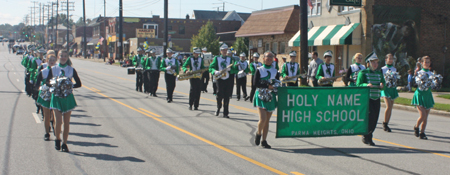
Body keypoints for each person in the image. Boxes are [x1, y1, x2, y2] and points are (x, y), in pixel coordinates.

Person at [50, 50, 82, 152]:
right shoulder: (53, 69)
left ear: (68, 57)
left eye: (65, 56)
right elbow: (47, 81)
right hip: (56, 97)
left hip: (67, 97)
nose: (63, 57)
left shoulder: (71, 70)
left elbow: (79, 83)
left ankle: (64, 143)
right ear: (58, 57)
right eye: (61, 55)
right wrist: (55, 85)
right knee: (58, 121)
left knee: (66, 122)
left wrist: (68, 86)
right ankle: (57, 139)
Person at [356, 52, 385, 146]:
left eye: (376, 62)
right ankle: (366, 136)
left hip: (376, 98)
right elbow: (358, 84)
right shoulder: (363, 73)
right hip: (367, 99)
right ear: (368, 63)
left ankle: (369, 135)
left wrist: (382, 85)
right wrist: (366, 85)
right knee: (370, 117)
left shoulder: (379, 73)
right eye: (373, 62)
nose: (375, 64)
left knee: (375, 118)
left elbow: (384, 85)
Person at [253, 51, 279, 149]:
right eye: (267, 57)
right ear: (263, 58)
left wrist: (276, 88)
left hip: (270, 96)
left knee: (267, 121)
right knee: (263, 119)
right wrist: (267, 85)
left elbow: (277, 84)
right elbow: (256, 83)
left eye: (271, 57)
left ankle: (264, 140)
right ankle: (258, 133)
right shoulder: (259, 70)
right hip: (260, 95)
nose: (269, 59)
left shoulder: (275, 71)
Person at [209, 43, 238, 118]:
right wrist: (215, 71)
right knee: (219, 94)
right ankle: (218, 107)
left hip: (227, 79)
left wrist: (230, 69)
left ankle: (226, 113)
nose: (225, 51)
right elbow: (210, 67)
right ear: (220, 51)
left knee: (227, 96)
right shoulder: (217, 58)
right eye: (223, 50)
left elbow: (235, 70)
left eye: (225, 50)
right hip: (220, 78)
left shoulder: (230, 59)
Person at [34, 54, 57, 141]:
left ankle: (55, 129)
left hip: (55, 95)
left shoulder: (58, 71)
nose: (51, 62)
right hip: (45, 95)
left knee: (55, 114)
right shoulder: (43, 71)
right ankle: (47, 133)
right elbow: (37, 83)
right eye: (50, 60)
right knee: (47, 114)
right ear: (46, 60)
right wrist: (41, 89)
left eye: (53, 60)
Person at [411, 56, 434, 140]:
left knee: (426, 117)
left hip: (427, 95)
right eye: (425, 62)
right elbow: (415, 84)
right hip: (420, 95)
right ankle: (416, 127)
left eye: (428, 62)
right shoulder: (419, 72)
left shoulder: (431, 74)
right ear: (422, 63)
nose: (427, 64)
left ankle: (422, 132)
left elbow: (433, 85)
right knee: (423, 115)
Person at [380, 53, 399, 132]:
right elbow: (380, 78)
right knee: (388, 106)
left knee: (391, 107)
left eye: (392, 59)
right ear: (386, 59)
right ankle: (384, 123)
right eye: (389, 58)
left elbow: (396, 78)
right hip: (386, 89)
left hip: (392, 89)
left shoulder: (394, 69)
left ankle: (387, 123)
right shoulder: (383, 69)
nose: (391, 60)